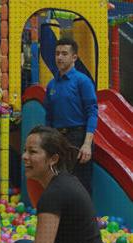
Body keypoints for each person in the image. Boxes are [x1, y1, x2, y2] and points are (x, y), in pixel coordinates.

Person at [44, 37, 98, 195]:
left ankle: (85, 219)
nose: (59, 57)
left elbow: (92, 112)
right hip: (57, 139)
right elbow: (48, 117)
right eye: (57, 53)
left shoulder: (83, 81)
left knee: (81, 184)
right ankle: (63, 219)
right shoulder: (51, 85)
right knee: (59, 181)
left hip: (78, 137)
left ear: (74, 57)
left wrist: (87, 144)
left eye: (64, 54)